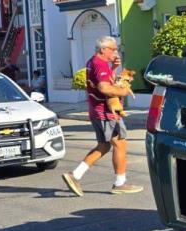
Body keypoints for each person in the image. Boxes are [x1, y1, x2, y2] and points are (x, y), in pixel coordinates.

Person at [61, 36, 143, 196]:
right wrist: (123, 91)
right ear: (103, 49)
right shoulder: (100, 64)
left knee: (104, 146)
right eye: (113, 49)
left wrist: (113, 68)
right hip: (107, 112)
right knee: (120, 144)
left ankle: (75, 175)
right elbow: (104, 88)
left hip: (96, 110)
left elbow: (103, 81)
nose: (116, 52)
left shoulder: (92, 62)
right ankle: (120, 183)